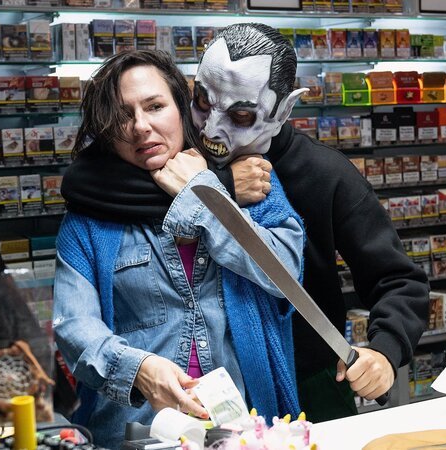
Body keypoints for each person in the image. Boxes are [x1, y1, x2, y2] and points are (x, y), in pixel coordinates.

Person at [52, 50, 304, 449]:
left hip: (247, 431)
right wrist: (138, 369)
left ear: (183, 107)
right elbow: (73, 326)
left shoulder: (251, 182)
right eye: (122, 115)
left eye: (155, 106)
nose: (140, 126)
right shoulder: (88, 220)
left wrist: (204, 197)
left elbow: (287, 274)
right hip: (133, 432)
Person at [194, 23, 430, 421]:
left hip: (309, 386)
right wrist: (219, 184)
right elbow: (89, 184)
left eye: (241, 114)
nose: (210, 127)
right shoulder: (173, 148)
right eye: (201, 100)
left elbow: (398, 279)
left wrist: (385, 351)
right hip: (200, 386)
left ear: (284, 109)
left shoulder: (326, 174)